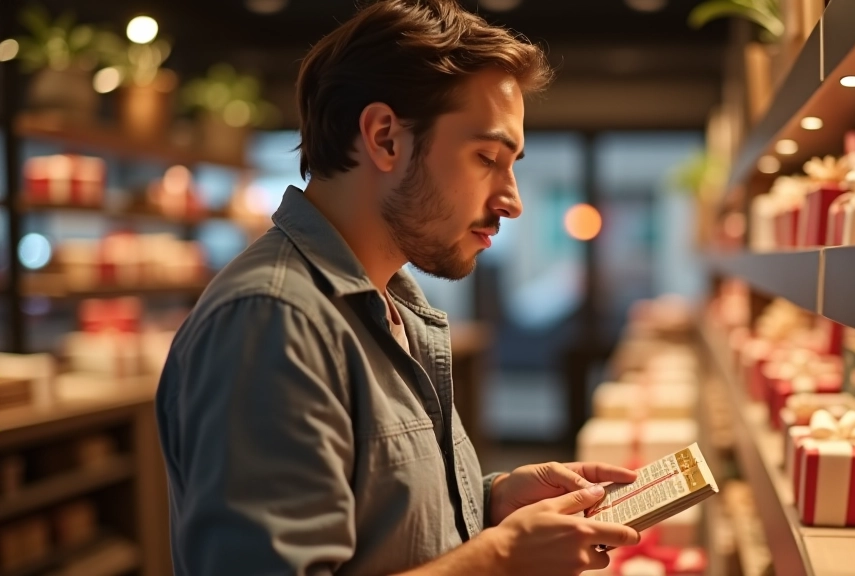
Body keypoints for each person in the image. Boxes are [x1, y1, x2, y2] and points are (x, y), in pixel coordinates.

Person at [155, 0, 642, 574]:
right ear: (385, 137)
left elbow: (381, 528)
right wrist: (501, 558)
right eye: (487, 156)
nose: (512, 199)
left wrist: (492, 502)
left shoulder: (392, 300)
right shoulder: (273, 321)